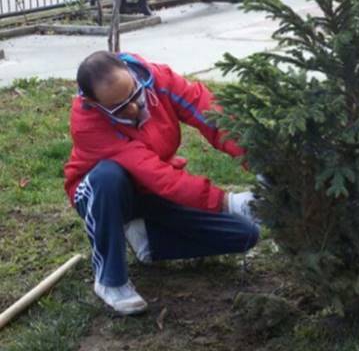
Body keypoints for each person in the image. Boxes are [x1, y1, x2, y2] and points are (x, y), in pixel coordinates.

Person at [64, 51, 260, 315]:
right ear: (92, 102)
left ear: (130, 72)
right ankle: (110, 280)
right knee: (108, 176)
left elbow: (210, 114)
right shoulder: (88, 124)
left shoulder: (158, 79)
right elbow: (154, 173)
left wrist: (258, 158)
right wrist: (226, 202)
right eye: (119, 107)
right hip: (103, 195)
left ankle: (145, 238)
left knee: (244, 233)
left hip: (152, 192)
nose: (133, 107)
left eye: (134, 94)